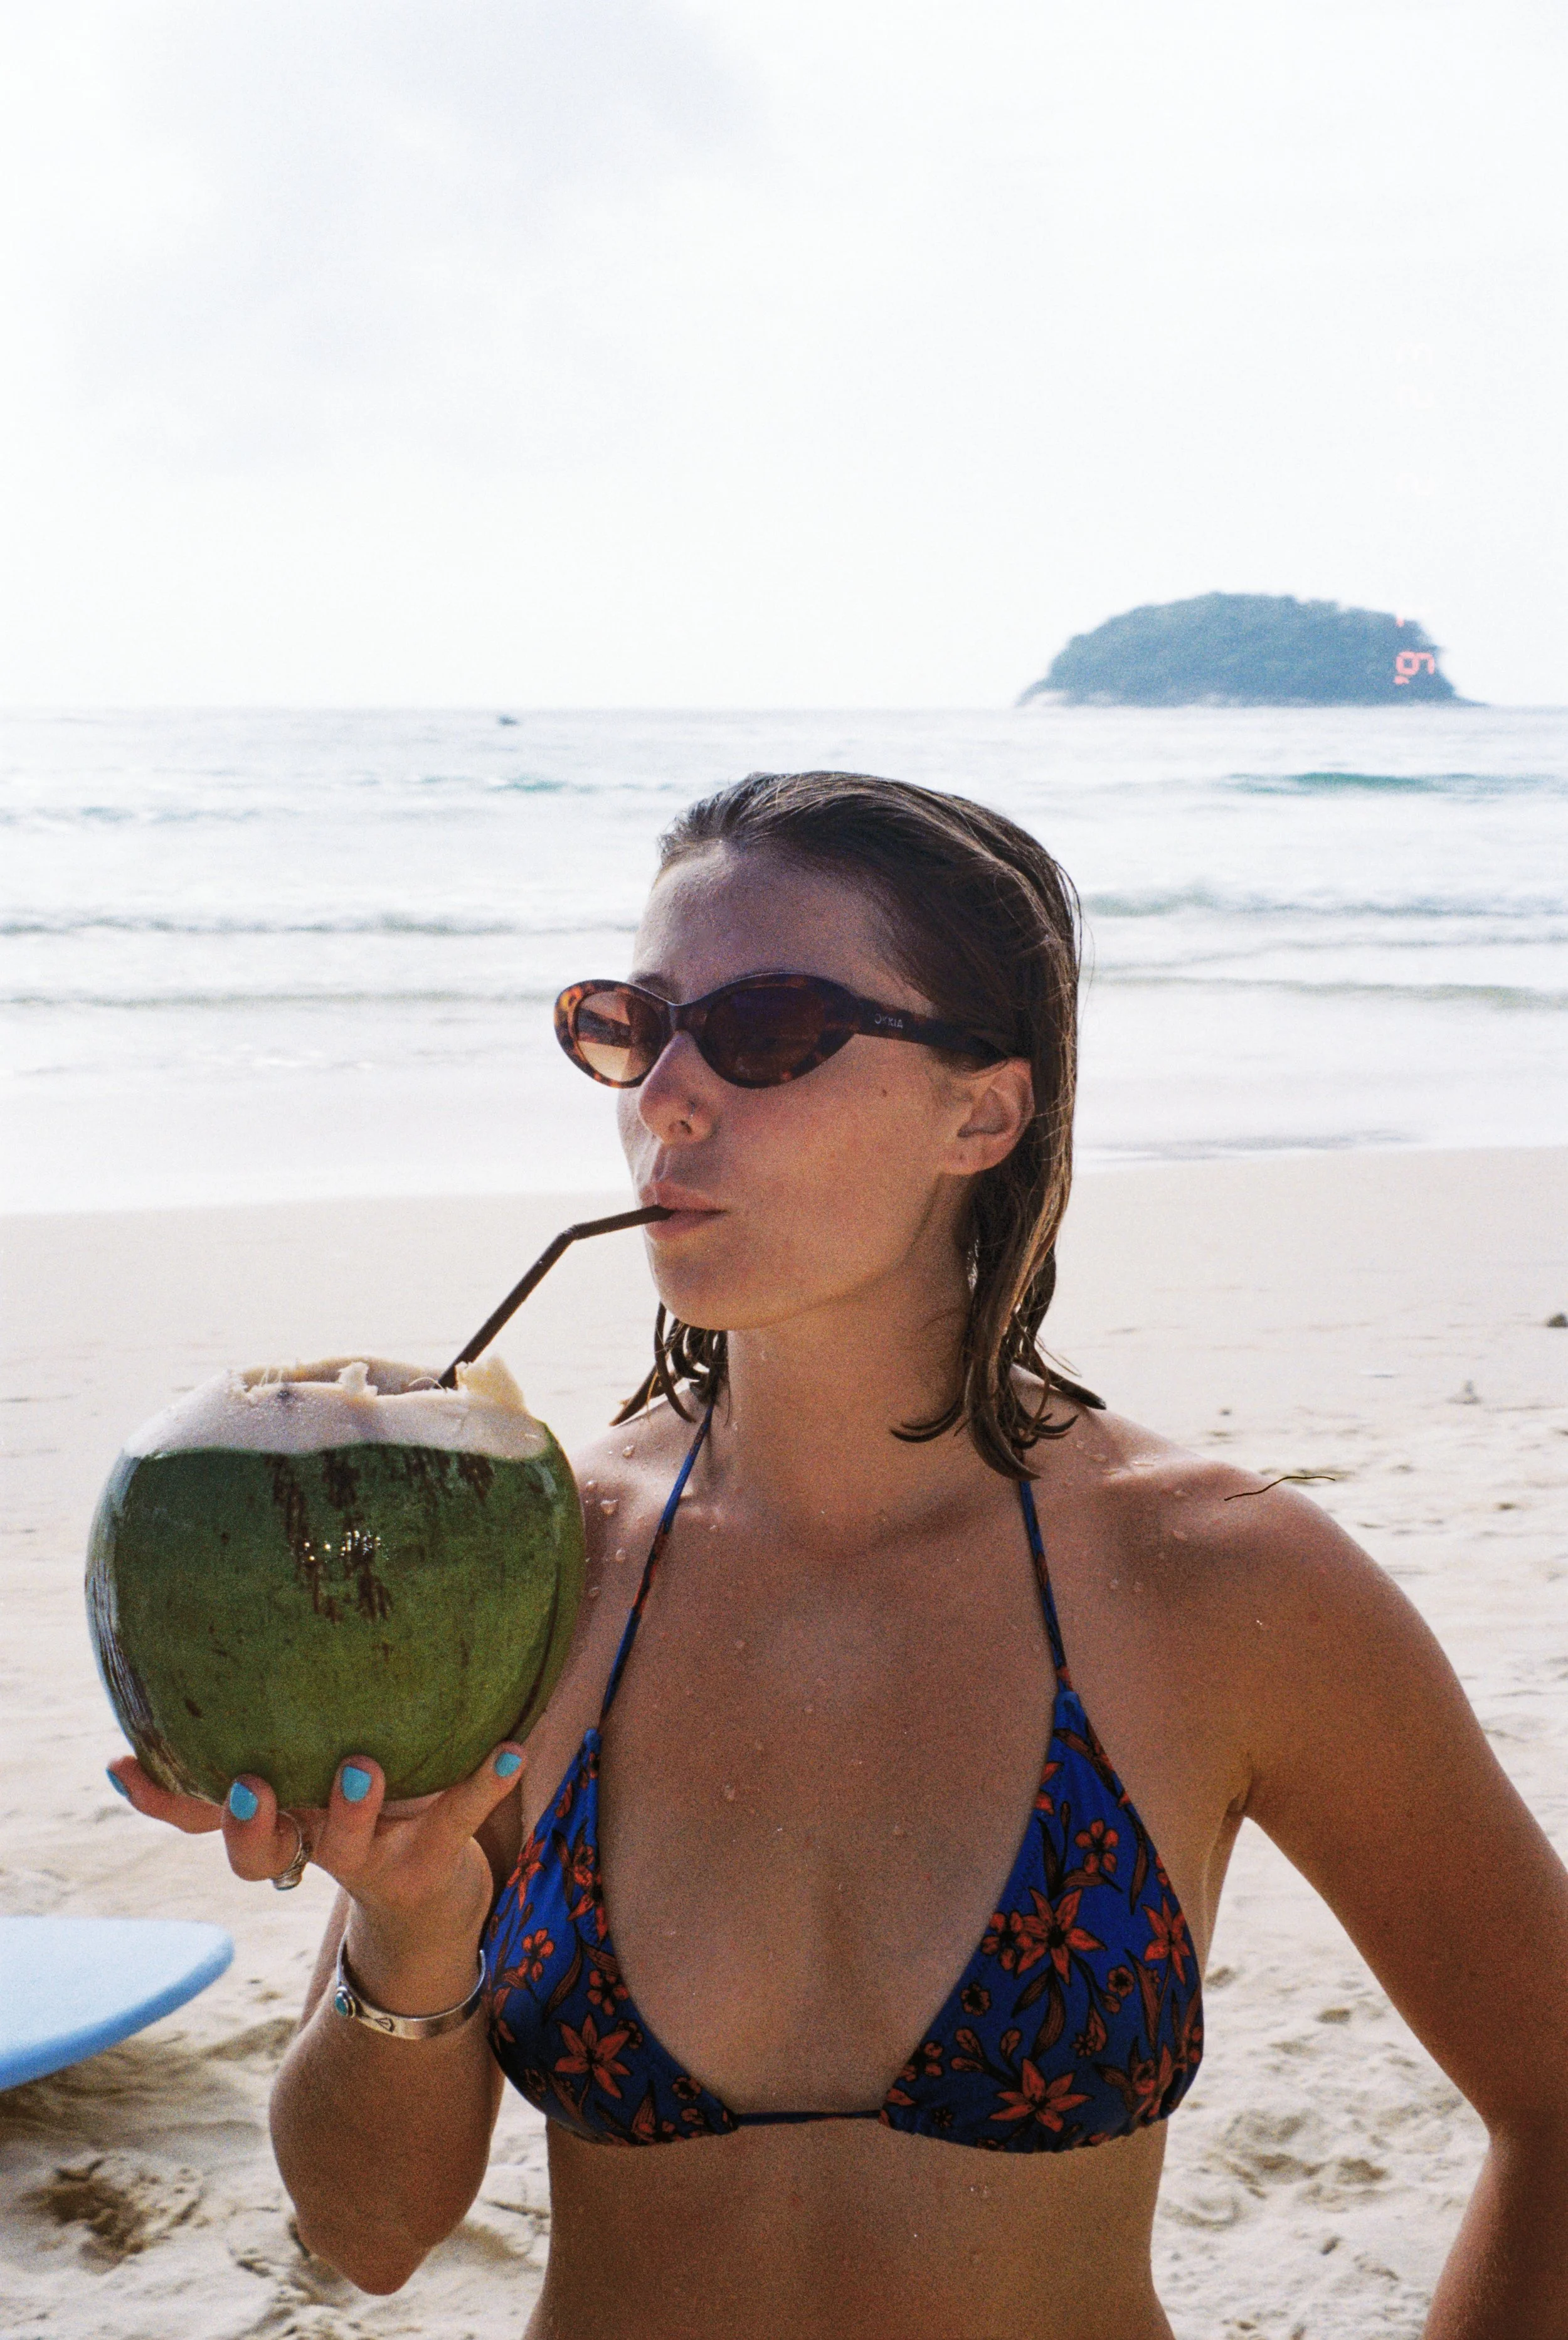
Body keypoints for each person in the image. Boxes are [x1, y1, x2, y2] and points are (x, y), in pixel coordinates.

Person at [112, 770, 1568, 2339]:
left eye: (766, 1030)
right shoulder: (540, 1561)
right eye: (634, 1021)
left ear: (980, 1110)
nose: (666, 1092)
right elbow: (369, 2231)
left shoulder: (1224, 1583)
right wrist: (408, 1929)